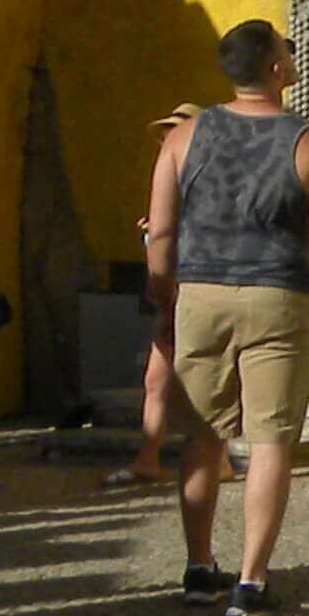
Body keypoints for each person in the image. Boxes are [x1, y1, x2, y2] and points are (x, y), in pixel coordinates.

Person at [146, 23, 309, 616]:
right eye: (287, 50)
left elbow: (160, 233)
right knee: (270, 441)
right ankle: (252, 581)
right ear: (275, 70)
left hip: (201, 294)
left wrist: (164, 303)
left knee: (203, 434)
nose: (292, 56)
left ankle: (196, 565)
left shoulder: (183, 138)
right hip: (277, 297)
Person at [106, 103, 200, 490]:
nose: (167, 138)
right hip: (171, 292)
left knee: (196, 383)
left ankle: (197, 458)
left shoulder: (198, 181)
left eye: (175, 130)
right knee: (158, 380)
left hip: (190, 291)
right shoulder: (173, 178)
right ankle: (150, 456)